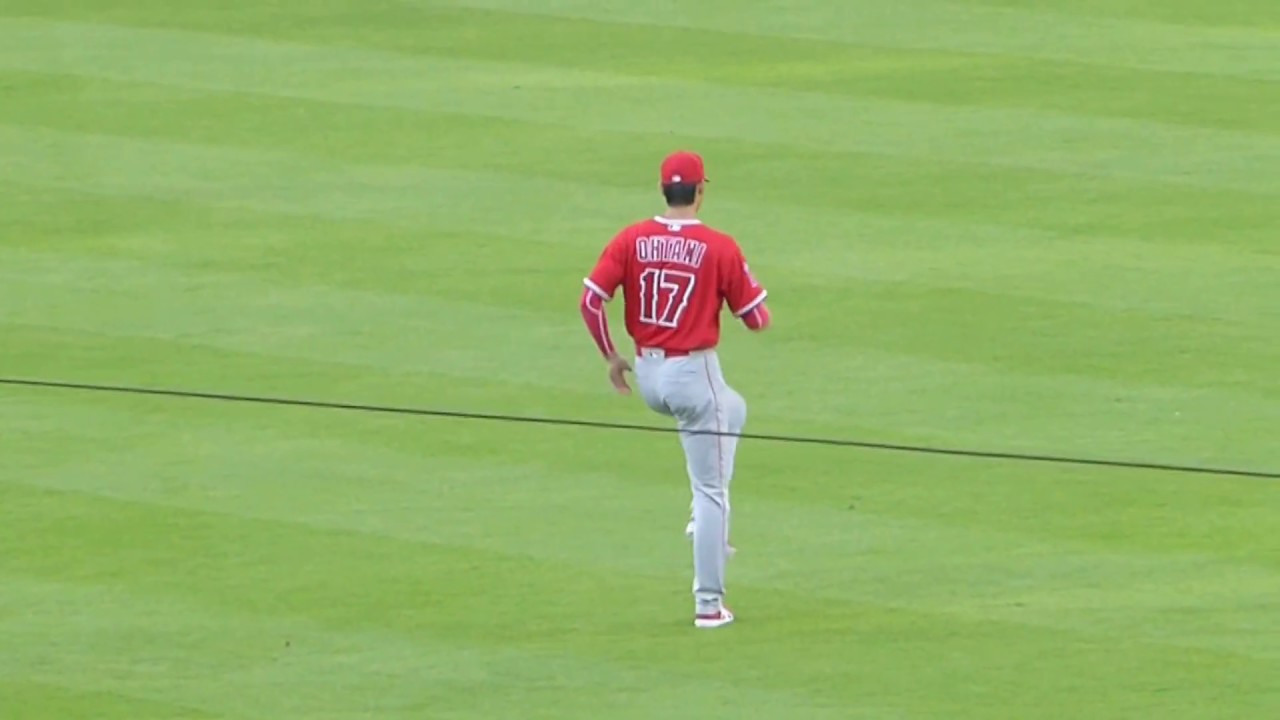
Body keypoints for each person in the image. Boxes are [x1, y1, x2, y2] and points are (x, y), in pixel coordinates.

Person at [578, 150, 771, 629]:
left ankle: (699, 518)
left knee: (735, 409)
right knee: (712, 491)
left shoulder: (631, 238)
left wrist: (611, 358)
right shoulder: (720, 246)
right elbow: (757, 320)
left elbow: (590, 300)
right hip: (693, 375)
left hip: (649, 376)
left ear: (664, 189)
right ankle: (709, 603)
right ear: (701, 190)